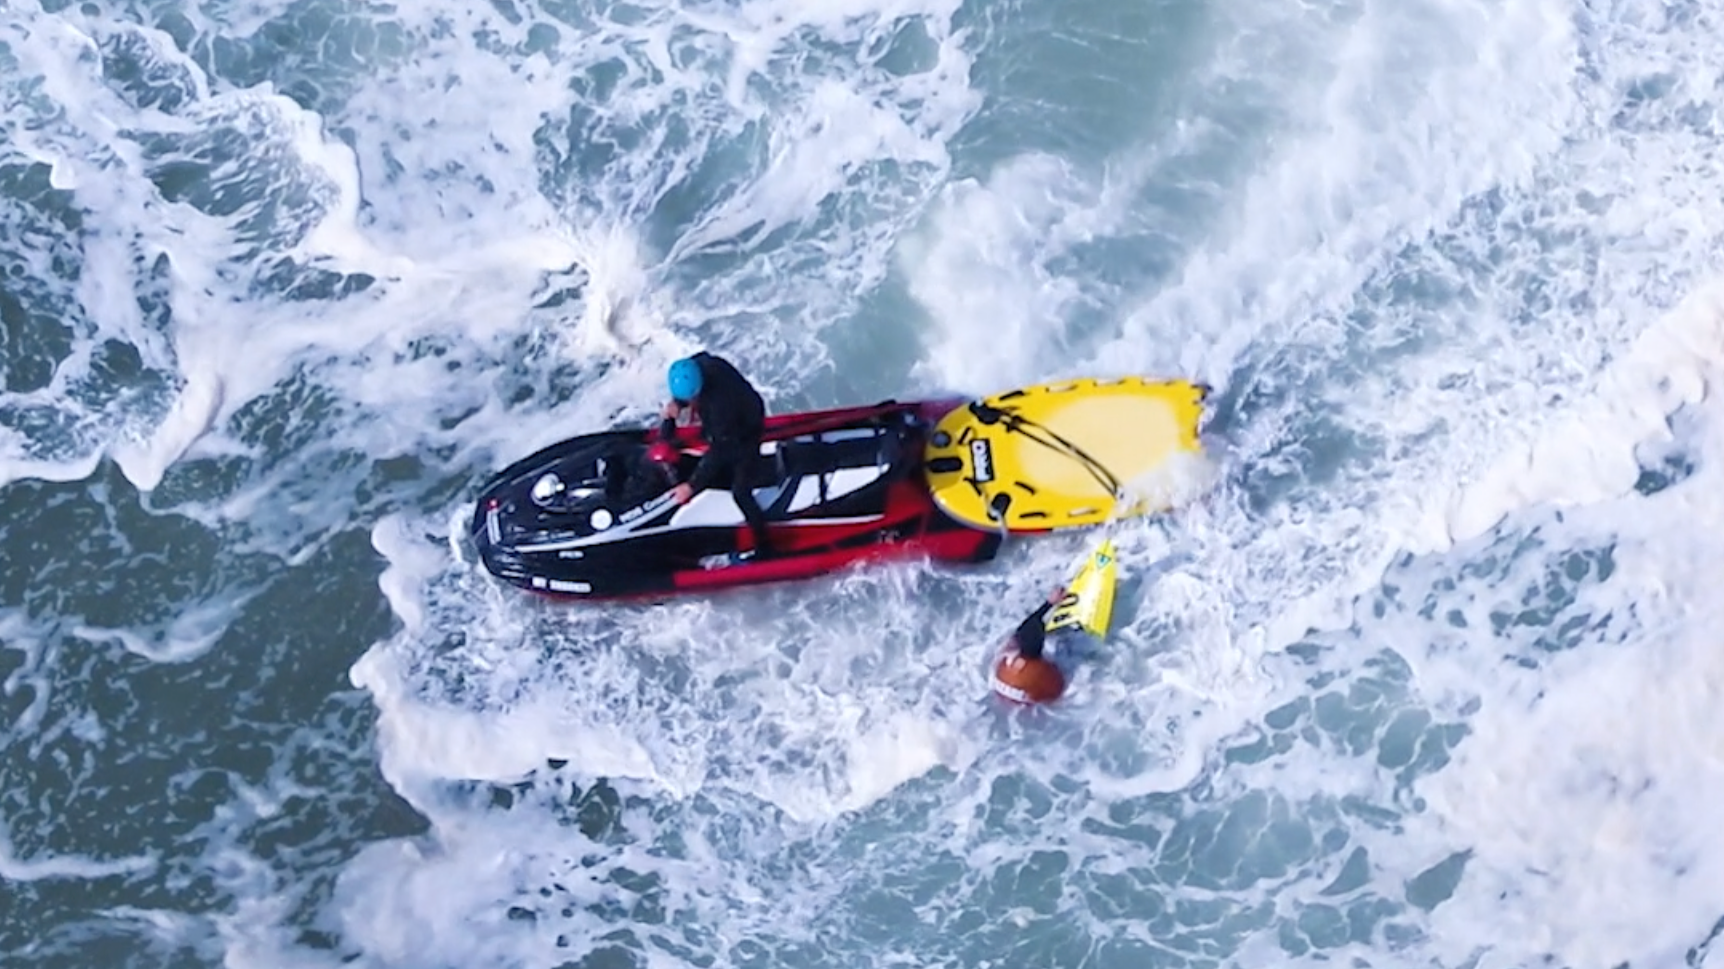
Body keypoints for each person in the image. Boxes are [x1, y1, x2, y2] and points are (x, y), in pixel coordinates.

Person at [659, 352, 774, 560]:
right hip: (726, 415)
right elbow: (687, 380)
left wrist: (691, 486)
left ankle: (765, 547)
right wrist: (675, 406)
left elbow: (720, 450)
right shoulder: (696, 365)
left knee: (740, 491)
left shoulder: (720, 406)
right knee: (709, 437)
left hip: (745, 429)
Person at [990, 585, 1082, 705]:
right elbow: (1062, 691)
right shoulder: (1044, 673)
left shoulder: (1004, 660)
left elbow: (1023, 629)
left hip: (1007, 705)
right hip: (1033, 709)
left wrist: (1049, 604)